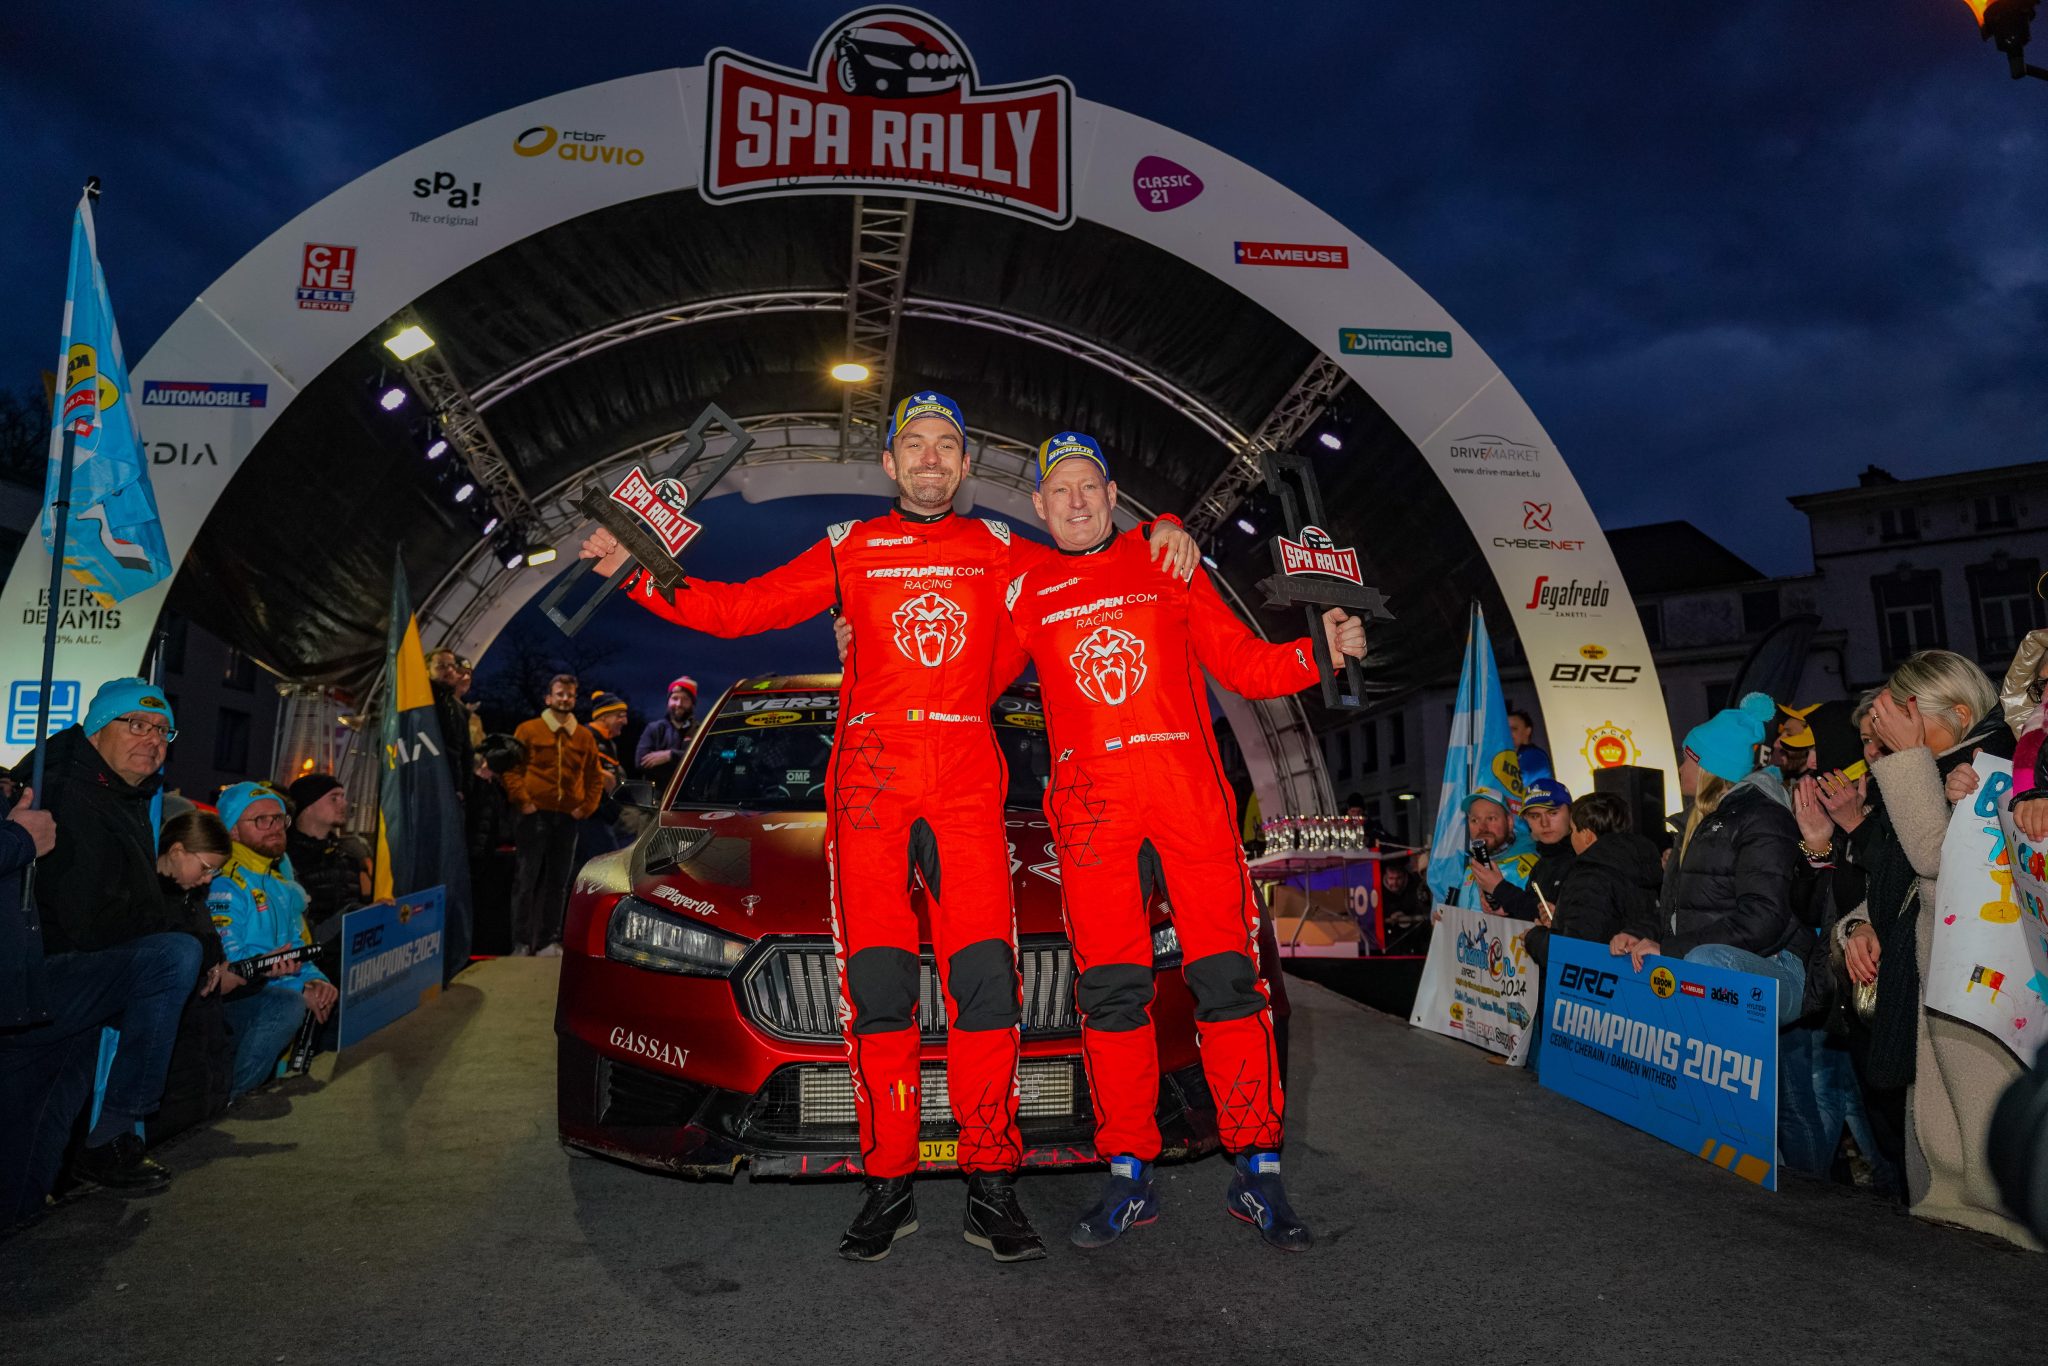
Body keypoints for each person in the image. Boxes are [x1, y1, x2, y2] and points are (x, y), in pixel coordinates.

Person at [581, 392, 1199, 1263]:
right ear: (890, 462)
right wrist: (637, 571)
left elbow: (1091, 554)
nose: (932, 458)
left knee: (986, 994)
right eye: (916, 444)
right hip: (871, 796)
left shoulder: (1000, 548)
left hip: (966, 799)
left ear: (965, 466)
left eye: (947, 445)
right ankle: (889, 1184)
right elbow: (737, 610)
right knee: (879, 997)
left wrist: (1165, 526)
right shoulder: (850, 547)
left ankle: (991, 1182)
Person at [989, 430, 1365, 1252]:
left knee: (1230, 985)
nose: (1076, 501)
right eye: (1060, 490)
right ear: (1040, 505)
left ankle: (1257, 1170)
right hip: (1092, 822)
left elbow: (1249, 667)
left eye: (1089, 486)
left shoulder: (1166, 561)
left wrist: (1324, 653)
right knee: (1112, 998)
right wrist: (864, 649)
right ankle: (1129, 1174)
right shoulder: (1027, 588)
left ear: (1110, 494)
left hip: (1189, 808)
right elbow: (966, 679)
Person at [1834, 650, 2036, 1246]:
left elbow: (1935, 860)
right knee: (1944, 1153)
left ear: (1958, 712)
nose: (1891, 730)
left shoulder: (2001, 764)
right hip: (1931, 980)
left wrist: (1910, 762)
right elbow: (1892, 881)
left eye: (1906, 713)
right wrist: (1858, 926)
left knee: (1983, 1149)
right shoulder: (1933, 768)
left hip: (1984, 989)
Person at [1, 679, 203, 1193]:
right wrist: (176, 938)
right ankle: (114, 1133)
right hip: (44, 979)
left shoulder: (116, 792)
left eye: (163, 730)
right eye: (136, 724)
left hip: (71, 987)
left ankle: (31, 1213)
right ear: (96, 730)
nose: (152, 739)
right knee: (173, 956)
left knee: (35, 1140)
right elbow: (91, 918)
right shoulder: (66, 789)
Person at [1611, 692, 1806, 1025]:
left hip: (1774, 966)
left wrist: (1672, 951)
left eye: (1686, 758)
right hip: (1714, 963)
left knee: (1703, 962)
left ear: (1708, 766)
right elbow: (1678, 913)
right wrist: (1637, 934)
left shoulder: (1763, 818)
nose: (1680, 768)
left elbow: (1763, 917)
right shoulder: (1697, 822)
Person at [208, 782, 337, 1098]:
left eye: (279, 818)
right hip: (227, 1001)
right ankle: (231, 1099)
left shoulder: (279, 885)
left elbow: (297, 947)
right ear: (233, 830)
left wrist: (316, 981)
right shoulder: (225, 881)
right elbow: (233, 963)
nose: (275, 827)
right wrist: (298, 988)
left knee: (324, 993)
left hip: (266, 990)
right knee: (287, 1004)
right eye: (261, 820)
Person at [147, 809, 236, 1140]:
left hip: (204, 1033)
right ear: (177, 851)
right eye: (206, 868)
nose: (209, 879)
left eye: (215, 871)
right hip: (175, 1039)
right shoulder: (149, 901)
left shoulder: (192, 897)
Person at [503, 674, 604, 957]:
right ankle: (521, 942)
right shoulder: (528, 729)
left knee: (558, 882)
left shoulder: (583, 736)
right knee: (526, 879)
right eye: (560, 693)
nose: (565, 699)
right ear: (548, 697)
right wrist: (523, 801)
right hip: (533, 815)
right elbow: (511, 768)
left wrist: (586, 807)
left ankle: (549, 941)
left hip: (568, 818)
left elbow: (595, 776)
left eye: (570, 695)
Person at [1522, 792, 1660, 970]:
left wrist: (1534, 937)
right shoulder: (1640, 864)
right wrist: (1561, 921)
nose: (1571, 837)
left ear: (1587, 835)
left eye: (1573, 830)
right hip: (1634, 974)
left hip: (1597, 979)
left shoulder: (1590, 876)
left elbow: (1574, 952)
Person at [284, 773, 369, 944]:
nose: (344, 803)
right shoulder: (285, 859)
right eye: (334, 798)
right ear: (308, 806)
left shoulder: (348, 854)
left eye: (343, 797)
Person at [1481, 778, 1573, 923]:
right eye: (1535, 816)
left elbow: (1569, 920)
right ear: (1526, 820)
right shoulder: (1540, 866)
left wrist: (1500, 889)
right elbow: (1538, 914)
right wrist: (1506, 911)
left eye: (1552, 813)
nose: (1544, 823)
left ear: (1571, 813)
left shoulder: (1584, 858)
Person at [1460, 787, 1538, 910]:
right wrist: (1448, 917)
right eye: (1474, 820)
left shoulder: (1534, 867)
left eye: (1491, 818)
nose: (1482, 828)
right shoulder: (1471, 867)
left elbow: (1545, 916)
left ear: (1509, 822)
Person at [426, 648, 478, 795]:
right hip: (421, 783)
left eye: (452, 666)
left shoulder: (459, 710)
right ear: (427, 670)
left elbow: (466, 752)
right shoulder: (418, 703)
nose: (449, 670)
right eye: (441, 666)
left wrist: (463, 788)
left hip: (450, 789)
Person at [635, 676, 699, 796]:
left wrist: (670, 755)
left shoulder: (700, 731)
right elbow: (641, 762)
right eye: (675, 698)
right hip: (655, 799)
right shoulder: (654, 728)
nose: (679, 704)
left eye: (685, 699)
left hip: (689, 799)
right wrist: (685, 761)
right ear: (668, 701)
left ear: (692, 703)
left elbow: (701, 761)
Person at [1508, 708, 1552, 785]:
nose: (1509, 733)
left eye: (1514, 729)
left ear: (1527, 731)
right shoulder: (1511, 756)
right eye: (1506, 729)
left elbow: (1521, 781)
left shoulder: (1535, 755)